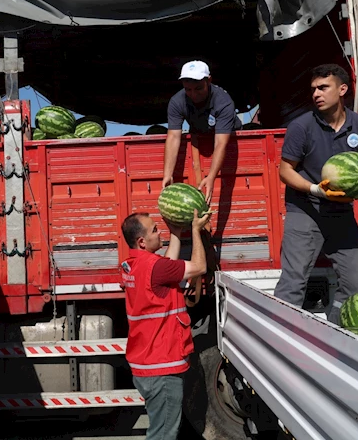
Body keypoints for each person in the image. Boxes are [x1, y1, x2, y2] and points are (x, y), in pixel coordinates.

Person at [273, 63, 358, 324]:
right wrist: (315, 189)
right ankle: (282, 334)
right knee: (294, 281)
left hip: (341, 212)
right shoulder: (301, 126)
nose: (316, 94)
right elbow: (285, 171)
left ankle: (336, 329)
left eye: (323, 87)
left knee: (355, 283)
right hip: (305, 209)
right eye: (314, 89)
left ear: (342, 89)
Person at [119, 209, 210, 440]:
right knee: (163, 434)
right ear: (142, 241)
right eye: (154, 230)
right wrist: (195, 231)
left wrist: (176, 234)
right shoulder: (156, 268)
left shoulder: (133, 265)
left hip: (146, 363)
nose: (159, 232)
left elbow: (166, 266)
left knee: (161, 428)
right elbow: (200, 267)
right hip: (162, 367)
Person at [162, 60, 242, 203]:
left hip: (226, 135)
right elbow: (173, 137)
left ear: (209, 80)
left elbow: (220, 143)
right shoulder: (177, 101)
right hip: (201, 134)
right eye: (188, 89)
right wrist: (168, 174)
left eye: (198, 88)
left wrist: (211, 176)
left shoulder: (223, 102)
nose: (193, 94)